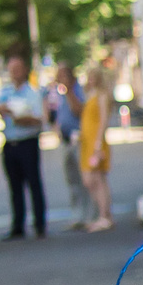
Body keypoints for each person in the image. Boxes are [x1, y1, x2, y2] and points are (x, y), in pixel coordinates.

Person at [0, 53, 48, 239]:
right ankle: (18, 224)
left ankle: (39, 223)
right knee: (14, 186)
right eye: (12, 70)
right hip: (10, 143)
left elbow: (39, 119)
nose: (15, 73)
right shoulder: (5, 93)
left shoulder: (32, 93)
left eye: (18, 70)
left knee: (34, 183)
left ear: (24, 71)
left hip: (27, 142)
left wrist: (19, 118)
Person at [46, 62, 90, 225]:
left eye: (63, 75)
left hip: (78, 138)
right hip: (64, 140)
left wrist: (69, 91)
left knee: (84, 179)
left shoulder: (76, 90)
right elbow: (54, 114)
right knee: (71, 180)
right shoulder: (58, 93)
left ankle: (89, 214)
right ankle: (77, 215)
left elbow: (78, 110)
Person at [78, 64, 114, 232]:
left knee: (97, 178)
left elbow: (103, 119)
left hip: (96, 142)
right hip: (87, 141)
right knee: (89, 179)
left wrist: (98, 143)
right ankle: (101, 213)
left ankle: (105, 216)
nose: (90, 80)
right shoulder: (89, 94)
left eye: (93, 77)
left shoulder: (102, 95)